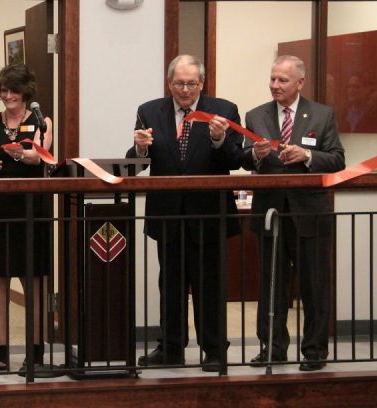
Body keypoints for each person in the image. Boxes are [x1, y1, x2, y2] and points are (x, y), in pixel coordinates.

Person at [126, 54, 243, 372]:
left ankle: (215, 350)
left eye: (192, 83)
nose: (185, 89)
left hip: (209, 214)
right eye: (179, 83)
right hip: (167, 214)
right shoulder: (149, 111)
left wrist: (219, 138)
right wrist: (139, 148)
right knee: (171, 285)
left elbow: (236, 159)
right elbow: (136, 163)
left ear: (202, 84)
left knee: (210, 285)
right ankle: (171, 348)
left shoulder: (224, 110)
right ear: (169, 83)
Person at [242, 55, 345, 372]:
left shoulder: (321, 115)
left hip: (310, 213)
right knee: (270, 284)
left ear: (300, 82)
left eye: (282, 80)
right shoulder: (255, 115)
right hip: (270, 211)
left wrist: (308, 155)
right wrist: (256, 156)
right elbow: (245, 160)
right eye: (272, 79)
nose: (275, 85)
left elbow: (338, 159)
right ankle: (271, 348)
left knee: (314, 285)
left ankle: (314, 351)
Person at [0, 64, 51, 372]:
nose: (7, 96)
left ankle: (35, 348)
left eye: (13, 91)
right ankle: (0, 348)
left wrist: (20, 154)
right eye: (3, 91)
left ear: (26, 92)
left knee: (33, 279)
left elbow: (42, 156)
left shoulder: (42, 121)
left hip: (30, 206)